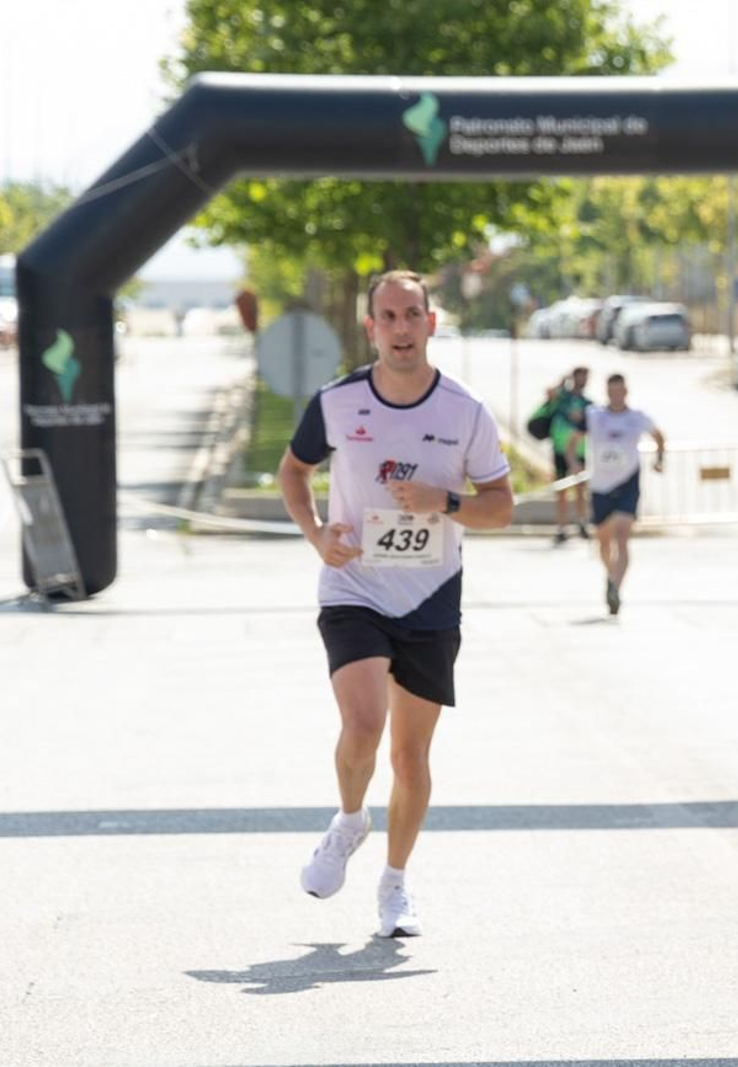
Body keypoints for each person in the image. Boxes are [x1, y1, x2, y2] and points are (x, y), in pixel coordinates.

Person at [278, 270, 514, 937]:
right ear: (371, 327)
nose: (403, 328)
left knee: (411, 757)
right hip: (354, 587)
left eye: (414, 314)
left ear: (431, 322)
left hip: (432, 595)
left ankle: (395, 883)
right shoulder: (338, 401)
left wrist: (449, 503)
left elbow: (503, 506)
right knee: (362, 725)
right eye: (390, 316)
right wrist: (316, 531)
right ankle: (350, 819)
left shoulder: (464, 409)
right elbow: (293, 471)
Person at [564, 373, 665, 615]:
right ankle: (610, 576)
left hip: (627, 483)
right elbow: (572, 441)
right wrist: (573, 462)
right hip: (600, 486)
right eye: (611, 391)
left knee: (622, 536)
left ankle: (616, 589)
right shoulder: (594, 415)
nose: (616, 395)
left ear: (626, 392)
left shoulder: (637, 417)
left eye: (620, 391)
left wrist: (660, 459)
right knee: (603, 540)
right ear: (607, 392)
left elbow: (659, 436)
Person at [549, 366, 591, 543]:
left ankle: (582, 523)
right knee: (561, 490)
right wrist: (561, 381)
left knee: (581, 488)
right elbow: (550, 394)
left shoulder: (588, 403)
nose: (582, 381)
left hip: (580, 450)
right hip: (560, 448)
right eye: (580, 377)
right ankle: (561, 527)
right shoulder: (562, 398)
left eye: (585, 378)